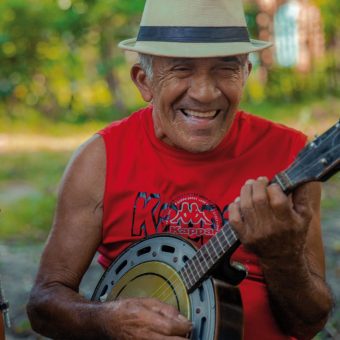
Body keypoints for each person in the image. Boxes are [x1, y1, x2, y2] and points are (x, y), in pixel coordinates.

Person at [27, 0, 333, 339]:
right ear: (144, 81)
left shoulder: (291, 157)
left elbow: (309, 324)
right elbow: (43, 304)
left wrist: (282, 257)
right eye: (181, 69)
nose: (204, 93)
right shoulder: (100, 160)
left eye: (225, 68)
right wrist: (106, 320)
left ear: (245, 73)